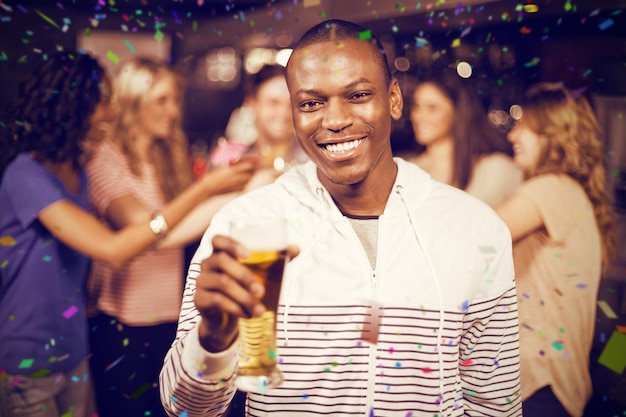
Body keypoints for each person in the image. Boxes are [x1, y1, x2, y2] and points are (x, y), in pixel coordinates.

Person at [160, 19, 522, 417]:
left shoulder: (474, 228)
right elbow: (184, 408)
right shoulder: (247, 223)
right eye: (311, 103)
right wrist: (212, 340)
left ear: (394, 99)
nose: (334, 120)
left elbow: (493, 402)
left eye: (358, 94)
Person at [0, 51, 252, 417]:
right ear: (73, 107)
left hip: (73, 348)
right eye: (101, 102)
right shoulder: (27, 176)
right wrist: (209, 187)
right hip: (28, 356)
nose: (110, 111)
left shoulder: (77, 171)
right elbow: (116, 248)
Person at [84, 57, 257, 417]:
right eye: (162, 100)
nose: (173, 111)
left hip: (169, 316)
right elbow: (149, 230)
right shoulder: (106, 159)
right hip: (123, 325)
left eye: (175, 100)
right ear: (133, 102)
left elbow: (182, 226)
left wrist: (248, 190)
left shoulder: (165, 158)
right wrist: (209, 187)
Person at [494, 83, 615, 417]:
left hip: (538, 383)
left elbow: (476, 236)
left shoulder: (550, 189)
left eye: (523, 125)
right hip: (560, 389)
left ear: (552, 132)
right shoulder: (572, 195)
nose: (512, 135)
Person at [406, 72, 523, 206]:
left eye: (432, 108)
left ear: (458, 112)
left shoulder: (494, 170)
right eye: (416, 106)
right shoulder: (407, 170)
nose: (419, 117)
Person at [209, 64, 308, 185]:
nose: (284, 114)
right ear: (252, 104)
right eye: (273, 103)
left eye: (291, 104)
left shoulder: (313, 162)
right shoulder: (233, 161)